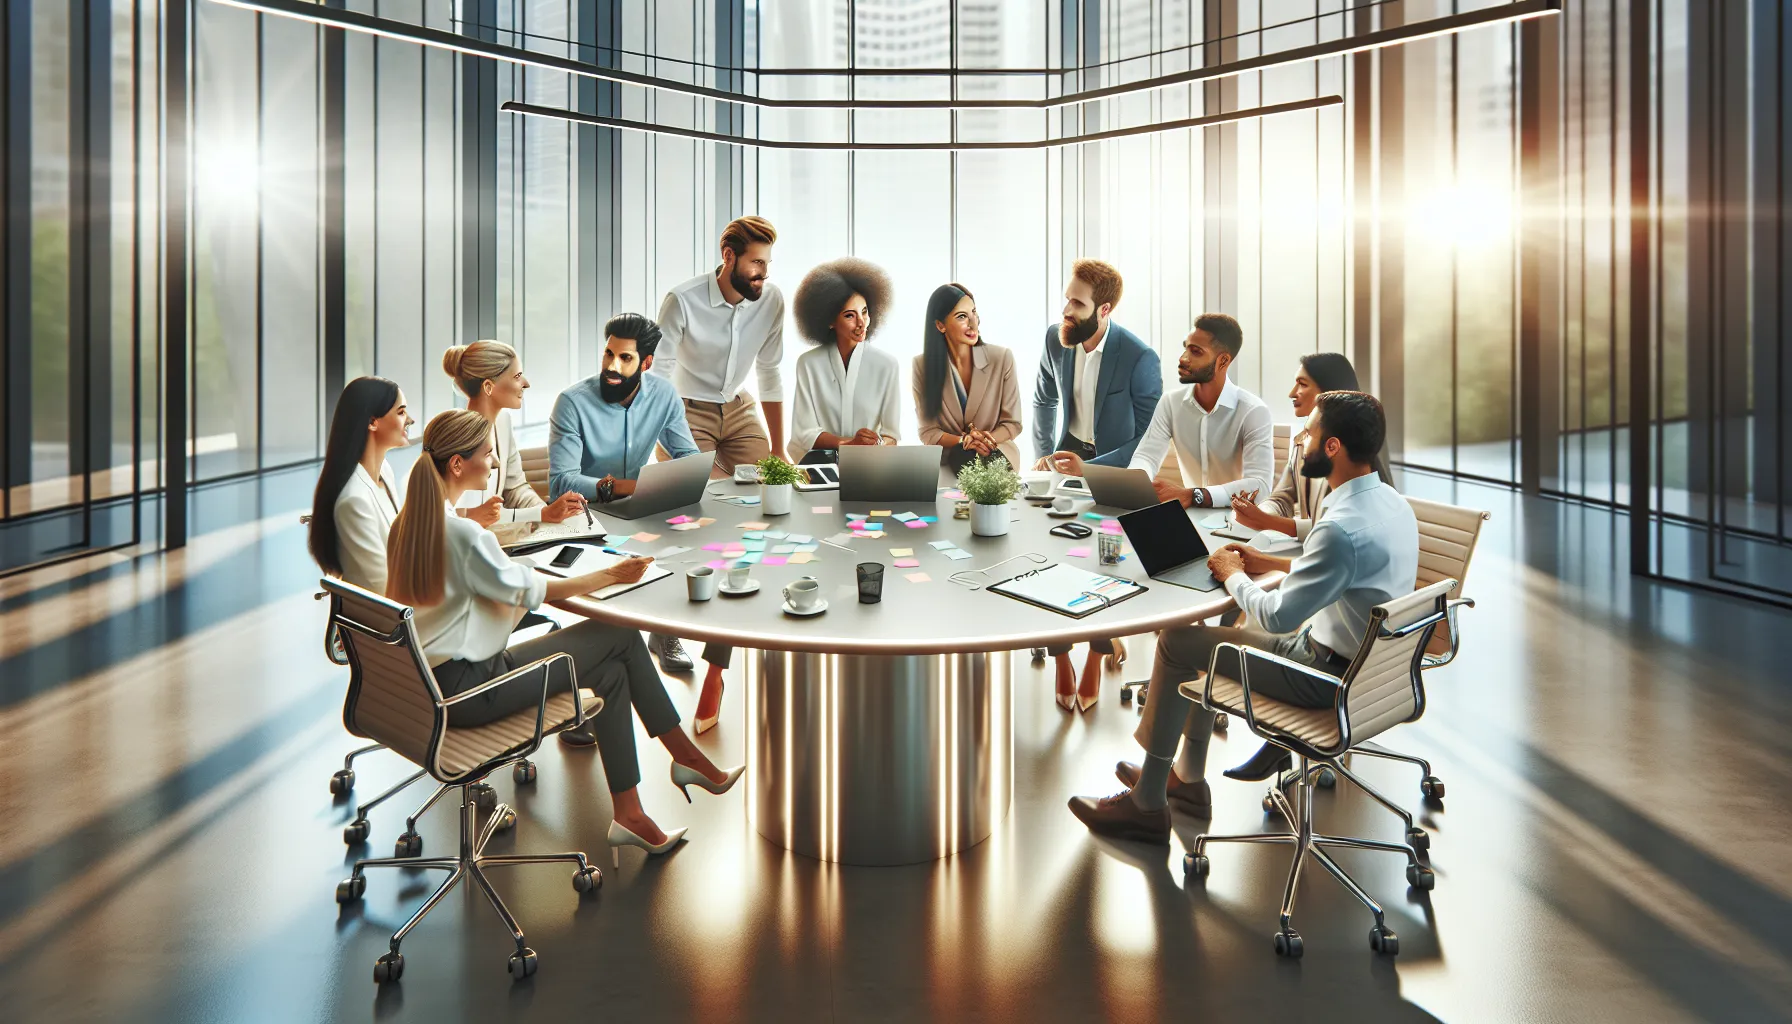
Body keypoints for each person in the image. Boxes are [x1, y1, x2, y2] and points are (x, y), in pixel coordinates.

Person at [388, 409, 744, 859]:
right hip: (471, 692)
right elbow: (539, 592)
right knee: (619, 635)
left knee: (612, 673)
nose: (493, 462)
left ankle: (631, 813)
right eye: (487, 454)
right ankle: (686, 758)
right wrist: (612, 574)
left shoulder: (410, 522)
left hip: (434, 684)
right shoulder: (463, 534)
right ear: (457, 465)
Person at [1066, 392, 1419, 843]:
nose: (1301, 442)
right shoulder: (1391, 503)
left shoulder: (1338, 529)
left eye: (1308, 434)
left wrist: (1232, 573)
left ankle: (1147, 804)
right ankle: (1187, 778)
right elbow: (1344, 567)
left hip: (1322, 677)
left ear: (1332, 447)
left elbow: (1276, 616)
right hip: (1372, 673)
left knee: (1178, 642)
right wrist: (1265, 562)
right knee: (1211, 641)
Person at [1043, 313, 1275, 713]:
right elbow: (1146, 457)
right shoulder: (1172, 403)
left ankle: (1195, 665)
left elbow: (1259, 486)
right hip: (1187, 524)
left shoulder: (1252, 412)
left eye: (1195, 351)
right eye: (1185, 347)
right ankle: (1114, 642)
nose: (1182, 357)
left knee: (1175, 588)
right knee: (1103, 553)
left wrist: (1194, 494)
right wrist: (1136, 485)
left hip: (1238, 533)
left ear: (1223, 361)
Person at [547, 313, 729, 697]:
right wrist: (623, 486)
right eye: (608, 354)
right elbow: (562, 481)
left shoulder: (663, 396)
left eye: (625, 358)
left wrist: (684, 480)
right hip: (587, 515)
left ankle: (665, 631)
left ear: (646, 362)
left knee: (706, 539)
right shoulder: (572, 403)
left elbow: (686, 456)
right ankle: (606, 655)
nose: (612, 366)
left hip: (639, 508)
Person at [652, 215, 786, 476]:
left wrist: (779, 449)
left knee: (766, 482)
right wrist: (666, 432)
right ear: (728, 256)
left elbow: (769, 370)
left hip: (739, 409)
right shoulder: (681, 300)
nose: (764, 273)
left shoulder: (772, 300)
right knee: (708, 488)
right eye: (757, 262)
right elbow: (658, 375)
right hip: (688, 412)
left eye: (767, 263)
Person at [1229, 352, 1391, 541]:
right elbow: (1282, 498)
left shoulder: (1359, 447)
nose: (1292, 393)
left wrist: (1267, 522)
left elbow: (1343, 527)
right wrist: (1258, 513)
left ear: (1331, 391)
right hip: (1310, 548)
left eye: (1303, 384)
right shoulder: (1303, 441)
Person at [1031, 259, 1160, 472]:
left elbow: (1150, 438)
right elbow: (1044, 401)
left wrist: (1089, 469)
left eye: (1078, 304)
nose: (1066, 310)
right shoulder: (1054, 338)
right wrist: (1044, 457)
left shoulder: (1140, 357)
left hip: (1113, 465)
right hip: (1067, 453)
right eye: (1068, 299)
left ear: (1104, 310)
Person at [443, 339, 586, 526]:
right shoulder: (458, 436)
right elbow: (461, 516)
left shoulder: (502, 422)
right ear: (488, 387)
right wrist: (542, 514)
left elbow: (516, 488)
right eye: (517, 376)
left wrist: (549, 514)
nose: (526, 384)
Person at [787, 257, 902, 459]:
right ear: (830, 320)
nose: (861, 323)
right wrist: (849, 444)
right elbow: (803, 432)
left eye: (864, 312)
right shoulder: (808, 364)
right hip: (820, 465)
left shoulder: (887, 365)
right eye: (850, 315)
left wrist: (877, 444)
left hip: (870, 465)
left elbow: (891, 436)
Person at [308, 377, 413, 594]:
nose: (410, 420)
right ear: (372, 422)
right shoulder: (354, 500)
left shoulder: (384, 470)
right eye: (401, 412)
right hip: (387, 611)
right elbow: (382, 586)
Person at [912, 283, 1023, 472]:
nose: (973, 323)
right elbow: (928, 432)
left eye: (973, 312)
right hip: (947, 461)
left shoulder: (1002, 358)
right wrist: (964, 440)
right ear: (940, 325)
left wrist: (986, 440)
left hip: (996, 455)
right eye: (962, 316)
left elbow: (1012, 423)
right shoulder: (921, 366)